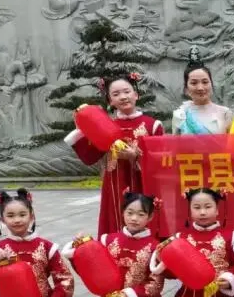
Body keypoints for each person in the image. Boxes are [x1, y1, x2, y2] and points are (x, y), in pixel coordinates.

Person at [66, 192, 168, 297]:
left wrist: (127, 295)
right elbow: (92, 269)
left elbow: (155, 284)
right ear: (122, 213)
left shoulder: (154, 247)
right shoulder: (108, 240)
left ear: (150, 217)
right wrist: (81, 247)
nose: (134, 218)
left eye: (141, 214)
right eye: (130, 213)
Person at [64, 72, 163, 236]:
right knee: (116, 220)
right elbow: (90, 156)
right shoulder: (103, 125)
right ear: (110, 101)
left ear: (136, 94)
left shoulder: (152, 125)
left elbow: (161, 161)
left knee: (144, 216)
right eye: (116, 94)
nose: (123, 97)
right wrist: (84, 128)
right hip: (115, 183)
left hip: (143, 183)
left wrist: (137, 157)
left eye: (127, 91)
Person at [153, 188, 234, 297]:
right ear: (190, 210)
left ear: (217, 209)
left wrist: (229, 279)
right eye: (197, 207)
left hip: (220, 296)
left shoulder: (231, 236)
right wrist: (161, 258)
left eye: (208, 207)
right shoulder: (180, 238)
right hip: (190, 296)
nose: (202, 212)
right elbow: (172, 273)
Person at [171, 48, 233, 135]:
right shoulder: (181, 115)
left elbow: (233, 142)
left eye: (205, 82)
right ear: (186, 88)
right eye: (194, 83)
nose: (200, 88)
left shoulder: (225, 113)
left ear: (211, 84)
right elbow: (175, 142)